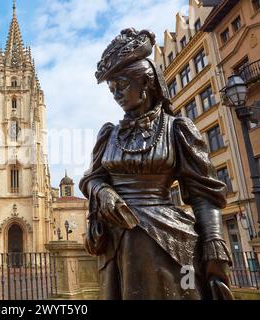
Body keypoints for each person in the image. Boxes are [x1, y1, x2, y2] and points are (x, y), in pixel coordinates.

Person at [79, 28, 233, 300]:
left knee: (181, 287)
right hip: (118, 240)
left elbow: (204, 193)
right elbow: (92, 177)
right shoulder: (109, 134)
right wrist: (103, 192)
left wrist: (214, 242)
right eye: (112, 89)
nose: (116, 95)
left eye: (122, 85)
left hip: (168, 237)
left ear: (147, 83)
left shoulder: (177, 130)